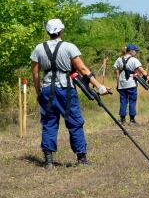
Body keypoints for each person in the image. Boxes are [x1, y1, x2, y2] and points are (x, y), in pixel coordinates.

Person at [30, 18, 109, 169]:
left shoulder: (39, 48)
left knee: (49, 123)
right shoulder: (69, 47)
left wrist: (39, 92)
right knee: (74, 122)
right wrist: (99, 87)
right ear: (61, 31)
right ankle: (81, 158)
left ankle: (48, 161)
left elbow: (35, 73)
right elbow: (83, 70)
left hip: (46, 90)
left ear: (48, 31)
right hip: (65, 89)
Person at [113, 43, 149, 124]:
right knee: (132, 101)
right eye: (135, 51)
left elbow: (117, 73)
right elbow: (142, 70)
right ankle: (132, 120)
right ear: (131, 51)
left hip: (121, 84)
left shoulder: (118, 59)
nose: (136, 52)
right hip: (131, 84)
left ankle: (122, 119)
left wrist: (117, 84)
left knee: (123, 101)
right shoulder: (134, 60)